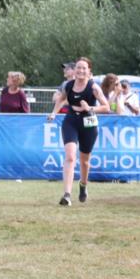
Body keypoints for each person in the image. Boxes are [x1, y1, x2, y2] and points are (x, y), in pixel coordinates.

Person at [47, 57, 110, 205]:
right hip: (71, 121)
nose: (81, 70)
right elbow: (61, 99)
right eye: (78, 68)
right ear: (74, 71)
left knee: (85, 161)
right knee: (70, 156)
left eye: (84, 68)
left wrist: (90, 108)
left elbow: (106, 107)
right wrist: (54, 113)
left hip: (88, 123)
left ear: (89, 72)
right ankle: (67, 195)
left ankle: (83, 185)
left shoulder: (94, 87)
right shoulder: (68, 85)